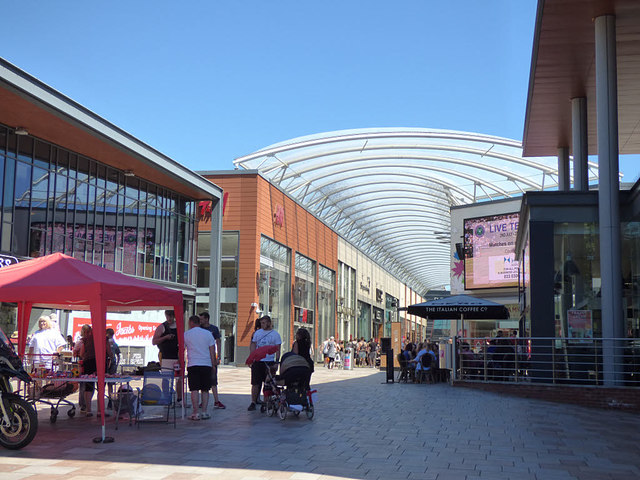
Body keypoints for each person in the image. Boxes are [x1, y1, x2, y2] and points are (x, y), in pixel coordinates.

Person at [184, 315, 216, 420]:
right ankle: (204, 412)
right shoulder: (208, 334)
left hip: (193, 364)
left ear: (191, 322)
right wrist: (213, 365)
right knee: (205, 389)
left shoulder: (186, 334)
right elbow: (212, 351)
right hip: (206, 364)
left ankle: (195, 412)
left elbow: (182, 350)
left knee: (194, 389)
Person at [248, 315, 281, 411]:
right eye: (261, 323)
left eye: (264, 323)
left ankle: (267, 402)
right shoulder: (257, 333)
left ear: (269, 323)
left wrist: (277, 362)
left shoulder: (275, 335)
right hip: (258, 361)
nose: (262, 325)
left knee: (269, 383)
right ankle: (253, 402)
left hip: (269, 361)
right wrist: (252, 357)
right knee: (255, 383)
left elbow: (278, 349)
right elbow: (253, 345)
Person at [78, 325, 112, 417]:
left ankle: (88, 410)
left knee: (89, 386)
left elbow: (81, 353)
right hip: (100, 362)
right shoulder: (104, 339)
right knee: (100, 387)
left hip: (88, 362)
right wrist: (111, 358)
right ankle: (100, 411)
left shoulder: (86, 339)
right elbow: (109, 351)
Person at [152, 310, 182, 404]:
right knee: (166, 379)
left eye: (171, 316)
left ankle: (179, 398)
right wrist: (165, 337)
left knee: (179, 378)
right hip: (166, 356)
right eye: (167, 316)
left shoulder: (179, 326)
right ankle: (166, 398)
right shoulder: (162, 327)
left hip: (177, 357)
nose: (169, 318)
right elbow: (154, 341)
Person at [199, 311, 225, 409]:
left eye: (202, 319)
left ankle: (216, 401)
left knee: (213, 380)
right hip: (202, 357)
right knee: (203, 380)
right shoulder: (199, 329)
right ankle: (203, 401)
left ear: (206, 319)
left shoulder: (214, 329)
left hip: (211, 357)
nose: (200, 321)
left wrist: (218, 356)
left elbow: (218, 342)